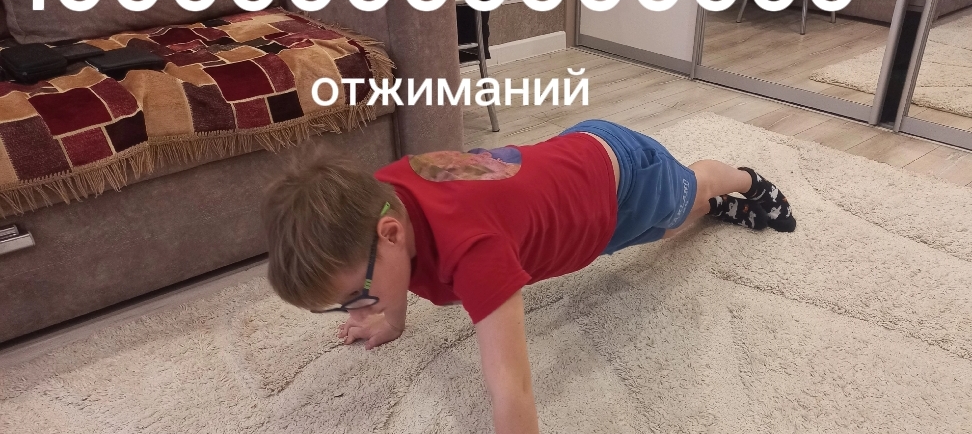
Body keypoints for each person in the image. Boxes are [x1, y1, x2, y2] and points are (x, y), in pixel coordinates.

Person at [261, 119, 795, 434]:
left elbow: (512, 389)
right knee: (665, 232)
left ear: (391, 233)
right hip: (580, 190)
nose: (358, 308)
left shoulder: (475, 252)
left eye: (356, 296)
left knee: (683, 206)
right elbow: (393, 263)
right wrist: (390, 318)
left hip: (627, 175)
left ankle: (742, 182)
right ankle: (718, 209)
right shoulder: (382, 194)